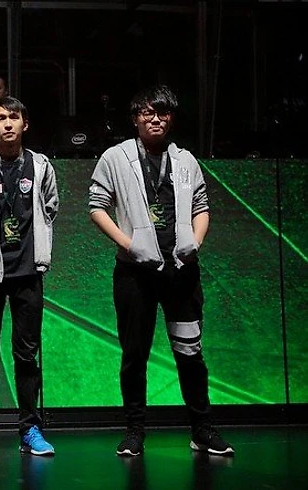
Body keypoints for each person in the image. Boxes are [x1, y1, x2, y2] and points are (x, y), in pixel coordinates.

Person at [88, 85, 234, 457]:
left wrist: (195, 243)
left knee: (190, 353)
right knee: (134, 355)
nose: (156, 119)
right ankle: (134, 432)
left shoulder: (185, 161)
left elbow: (201, 206)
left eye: (163, 113)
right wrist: (129, 244)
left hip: (181, 272)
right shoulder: (115, 157)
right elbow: (97, 207)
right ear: (135, 118)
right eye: (148, 113)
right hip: (134, 273)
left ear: (171, 118)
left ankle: (202, 430)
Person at [0, 96, 59, 457]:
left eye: (13, 117)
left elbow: (50, 207)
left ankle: (30, 428)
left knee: (27, 356)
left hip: (27, 272)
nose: (7, 123)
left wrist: (37, 246)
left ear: (24, 124)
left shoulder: (41, 166)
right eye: (0, 117)